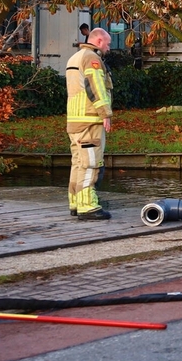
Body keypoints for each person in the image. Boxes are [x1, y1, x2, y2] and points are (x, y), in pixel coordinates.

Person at [66, 27, 113, 220]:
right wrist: (106, 113)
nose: (109, 48)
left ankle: (76, 201)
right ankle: (88, 207)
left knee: (78, 163)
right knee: (91, 163)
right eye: (108, 44)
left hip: (75, 119)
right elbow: (95, 86)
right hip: (89, 119)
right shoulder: (91, 59)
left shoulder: (75, 57)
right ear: (99, 41)